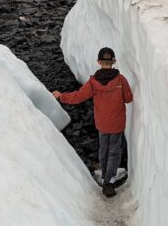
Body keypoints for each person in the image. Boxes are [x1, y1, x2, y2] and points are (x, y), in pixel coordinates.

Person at [52, 47, 133, 198]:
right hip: (117, 123)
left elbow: (78, 96)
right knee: (114, 152)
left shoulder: (93, 82)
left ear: (98, 62)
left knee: (104, 150)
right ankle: (109, 182)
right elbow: (129, 99)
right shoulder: (121, 80)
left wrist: (61, 96)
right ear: (114, 61)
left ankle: (105, 179)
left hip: (102, 124)